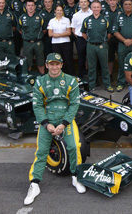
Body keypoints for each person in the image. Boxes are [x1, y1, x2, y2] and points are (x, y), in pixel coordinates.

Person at [24, 53, 85, 205]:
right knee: (41, 151)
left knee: (74, 146)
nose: (54, 67)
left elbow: (74, 105)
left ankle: (76, 177)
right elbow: (37, 105)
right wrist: (46, 124)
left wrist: (64, 123)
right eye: (51, 64)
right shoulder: (40, 82)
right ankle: (34, 184)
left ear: (61, 65)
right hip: (48, 119)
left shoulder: (71, 81)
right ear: (46, 65)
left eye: (57, 64)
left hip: (66, 119)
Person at [82, 1, 113, 92]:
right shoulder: (87, 20)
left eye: (97, 7)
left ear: (100, 8)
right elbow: (83, 33)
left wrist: (104, 41)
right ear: (91, 9)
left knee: (104, 66)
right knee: (91, 67)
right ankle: (92, 86)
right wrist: (89, 40)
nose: (96, 9)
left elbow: (109, 33)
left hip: (102, 46)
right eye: (94, 7)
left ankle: (107, 85)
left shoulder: (105, 20)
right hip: (91, 46)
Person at [113, 0, 132, 92]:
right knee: (122, 64)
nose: (128, 6)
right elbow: (115, 31)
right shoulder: (118, 17)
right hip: (122, 44)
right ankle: (121, 83)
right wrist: (125, 40)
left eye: (130, 4)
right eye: (126, 4)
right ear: (123, 6)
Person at [18, 0, 46, 74]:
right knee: (27, 63)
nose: (30, 7)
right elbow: (20, 30)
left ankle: (42, 78)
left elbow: (44, 30)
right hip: (27, 43)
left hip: (38, 43)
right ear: (26, 7)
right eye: (29, 5)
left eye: (32, 5)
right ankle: (28, 80)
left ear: (35, 7)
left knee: (41, 63)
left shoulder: (40, 17)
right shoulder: (21, 17)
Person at [47, 5, 73, 75]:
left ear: (63, 11)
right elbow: (50, 34)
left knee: (67, 60)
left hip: (66, 43)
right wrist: (62, 34)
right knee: (57, 61)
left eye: (61, 10)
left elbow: (69, 32)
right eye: (58, 10)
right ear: (55, 11)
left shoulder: (66, 20)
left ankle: (69, 75)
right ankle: (59, 75)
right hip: (55, 44)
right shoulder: (52, 21)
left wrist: (57, 34)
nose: (59, 12)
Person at [71, 0, 92, 79]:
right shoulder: (76, 15)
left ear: (88, 3)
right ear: (79, 4)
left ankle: (92, 78)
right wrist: (80, 36)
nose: (83, 3)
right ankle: (81, 77)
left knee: (91, 59)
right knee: (81, 59)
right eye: (81, 2)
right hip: (80, 40)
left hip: (91, 39)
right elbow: (73, 29)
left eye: (85, 2)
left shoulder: (93, 13)